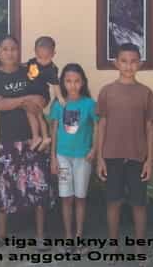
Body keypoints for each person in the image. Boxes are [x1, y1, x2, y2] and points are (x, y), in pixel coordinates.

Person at [0, 35, 55, 251]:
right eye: (5, 49)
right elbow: (0, 104)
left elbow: (42, 99)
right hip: (8, 140)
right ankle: (1, 234)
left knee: (39, 185)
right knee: (5, 185)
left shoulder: (30, 71)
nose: (10, 53)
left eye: (14, 48)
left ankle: (41, 235)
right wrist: (25, 100)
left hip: (34, 140)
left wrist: (26, 101)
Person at [96, 43, 153, 266]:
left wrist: (149, 161)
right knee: (113, 202)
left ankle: (139, 247)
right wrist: (100, 158)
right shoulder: (106, 92)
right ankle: (113, 246)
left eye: (133, 61)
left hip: (137, 157)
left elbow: (150, 128)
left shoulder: (146, 93)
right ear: (116, 63)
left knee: (138, 204)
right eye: (124, 61)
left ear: (139, 64)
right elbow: (102, 125)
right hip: (111, 156)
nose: (128, 66)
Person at [48, 63, 98, 254]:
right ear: (62, 83)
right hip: (62, 157)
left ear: (83, 82)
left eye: (77, 81)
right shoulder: (59, 104)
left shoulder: (89, 104)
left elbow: (99, 126)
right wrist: (53, 158)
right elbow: (54, 132)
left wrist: (94, 149)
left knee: (80, 197)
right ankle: (68, 237)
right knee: (66, 197)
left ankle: (78, 237)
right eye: (68, 81)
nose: (73, 85)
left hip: (83, 158)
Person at [24, 36, 63, 152]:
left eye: (46, 58)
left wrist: (60, 97)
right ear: (35, 52)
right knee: (33, 113)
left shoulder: (51, 69)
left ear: (53, 54)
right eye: (40, 57)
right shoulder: (32, 62)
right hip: (30, 95)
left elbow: (56, 84)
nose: (42, 61)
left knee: (37, 114)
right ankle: (40, 137)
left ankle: (41, 137)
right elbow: (25, 66)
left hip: (41, 95)